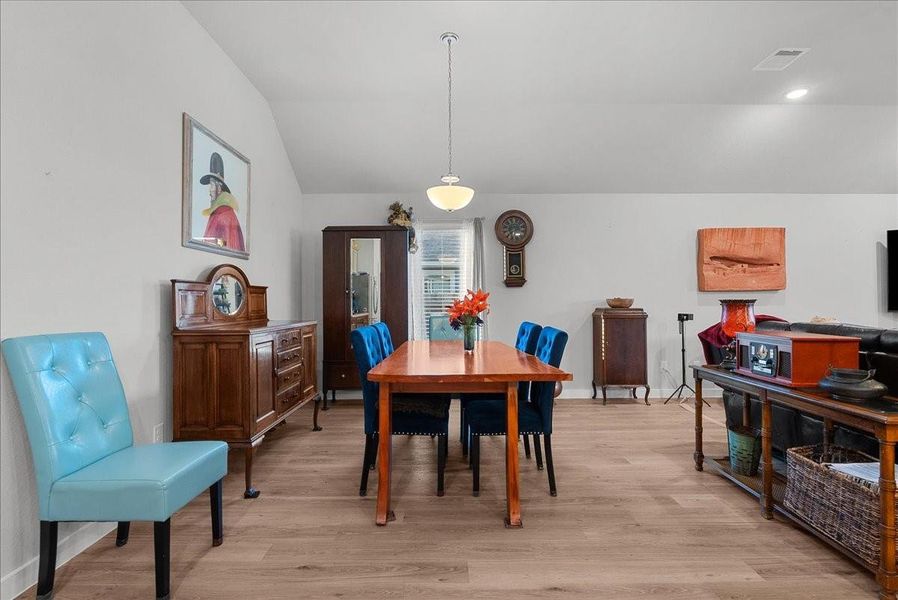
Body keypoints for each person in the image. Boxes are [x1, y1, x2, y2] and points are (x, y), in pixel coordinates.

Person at [200, 152, 245, 251]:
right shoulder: (220, 211)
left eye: (211, 185)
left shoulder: (223, 213)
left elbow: (225, 243)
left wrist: (208, 242)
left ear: (219, 187)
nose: (210, 191)